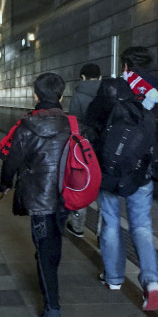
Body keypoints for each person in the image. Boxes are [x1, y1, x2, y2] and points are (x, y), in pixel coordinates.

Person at [83, 46, 158, 311]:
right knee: (141, 226)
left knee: (109, 222)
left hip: (110, 167)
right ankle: (152, 282)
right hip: (140, 167)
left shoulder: (112, 88)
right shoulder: (157, 92)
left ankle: (114, 278)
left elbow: (92, 122)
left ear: (124, 65)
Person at [0, 73, 71, 317]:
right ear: (61, 96)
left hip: (38, 197)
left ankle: (52, 309)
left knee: (44, 248)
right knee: (53, 242)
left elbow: (12, 160)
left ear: (35, 95)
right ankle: (49, 278)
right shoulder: (73, 124)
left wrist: (5, 183)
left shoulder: (26, 126)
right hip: (66, 195)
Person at [65, 63, 102, 238]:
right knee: (104, 191)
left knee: (81, 183)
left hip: (85, 147)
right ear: (100, 77)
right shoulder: (109, 92)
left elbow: (74, 124)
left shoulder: (78, 95)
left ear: (82, 77)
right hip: (106, 146)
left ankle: (78, 226)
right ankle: (102, 233)